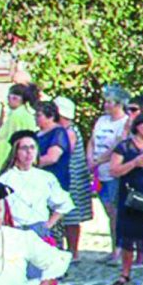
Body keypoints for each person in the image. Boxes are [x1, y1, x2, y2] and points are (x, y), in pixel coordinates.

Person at [0, 129, 73, 285]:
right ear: (15, 152)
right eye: (24, 148)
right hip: (16, 235)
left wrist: (47, 225)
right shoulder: (6, 180)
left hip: (39, 236)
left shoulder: (45, 178)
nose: (29, 152)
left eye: (32, 147)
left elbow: (63, 203)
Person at [107, 110, 143, 285]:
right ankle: (125, 273)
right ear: (138, 125)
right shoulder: (125, 147)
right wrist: (134, 163)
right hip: (129, 196)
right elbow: (113, 170)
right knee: (127, 235)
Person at [55, 97, 94, 257]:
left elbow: (66, 152)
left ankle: (73, 250)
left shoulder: (69, 131)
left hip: (74, 178)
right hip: (69, 176)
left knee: (72, 215)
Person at [90, 85, 132, 230]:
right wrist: (90, 159)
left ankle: (117, 248)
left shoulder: (125, 122)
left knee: (113, 210)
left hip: (111, 171)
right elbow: (92, 140)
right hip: (98, 171)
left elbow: (119, 145)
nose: (105, 104)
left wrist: (100, 160)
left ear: (119, 104)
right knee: (105, 207)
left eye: (109, 102)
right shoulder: (102, 120)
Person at [0, 83, 39, 170]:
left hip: (9, 163)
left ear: (15, 98)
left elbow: (19, 141)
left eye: (8, 98)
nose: (7, 102)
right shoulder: (24, 114)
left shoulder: (18, 116)